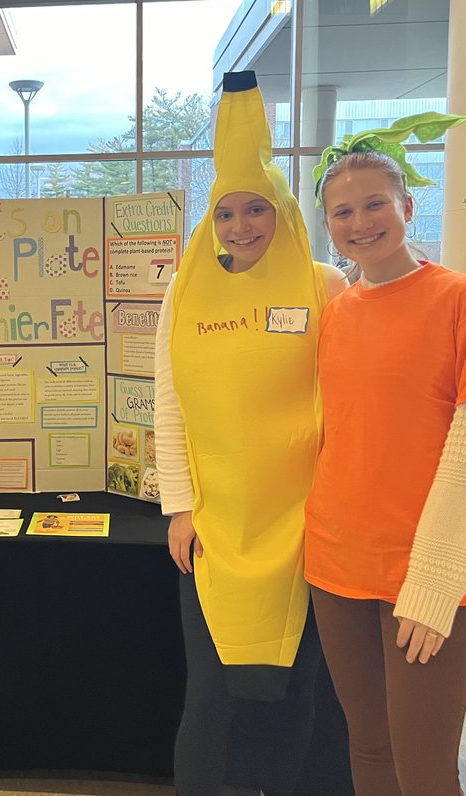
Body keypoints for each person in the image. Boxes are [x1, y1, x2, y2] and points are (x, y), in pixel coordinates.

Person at [307, 149, 466, 795]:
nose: (361, 221)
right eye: (342, 211)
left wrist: (435, 583)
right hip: (337, 565)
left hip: (431, 578)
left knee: (425, 771)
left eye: (375, 203)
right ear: (328, 226)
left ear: (407, 207)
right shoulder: (337, 313)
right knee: (369, 750)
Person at [154, 71, 347, 796]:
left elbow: (351, 402)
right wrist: (179, 505)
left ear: (282, 210)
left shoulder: (324, 286)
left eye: (256, 210)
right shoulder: (188, 287)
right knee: (211, 692)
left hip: (303, 523)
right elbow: (168, 403)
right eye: (227, 213)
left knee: (296, 687)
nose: (241, 228)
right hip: (214, 526)